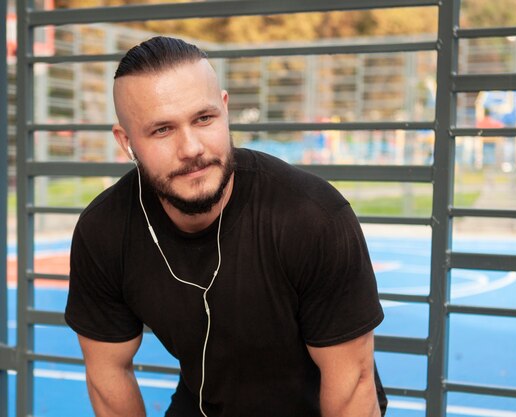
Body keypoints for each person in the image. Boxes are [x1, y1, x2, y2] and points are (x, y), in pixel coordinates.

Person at [64, 36, 386, 417]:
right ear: (126, 141)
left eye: (204, 118)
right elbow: (108, 372)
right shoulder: (104, 230)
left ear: (225, 109)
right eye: (162, 130)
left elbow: (353, 388)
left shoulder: (311, 217)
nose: (191, 148)